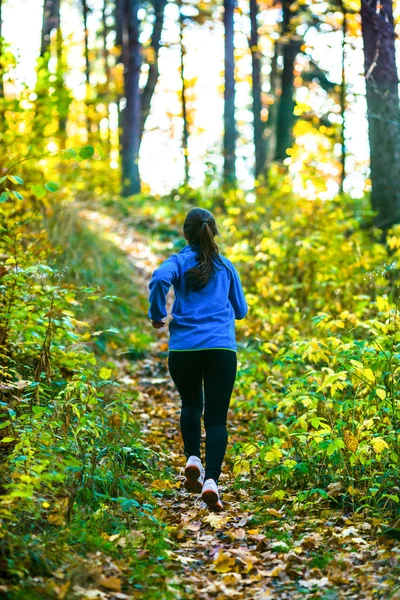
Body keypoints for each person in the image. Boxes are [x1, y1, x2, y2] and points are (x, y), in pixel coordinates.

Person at [148, 207, 247, 511]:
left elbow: (159, 280)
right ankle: (212, 482)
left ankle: (193, 459)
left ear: (185, 233)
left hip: (184, 349)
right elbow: (241, 311)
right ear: (212, 231)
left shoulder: (177, 262)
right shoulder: (226, 267)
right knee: (216, 418)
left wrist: (157, 314)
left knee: (191, 404)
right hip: (221, 349)